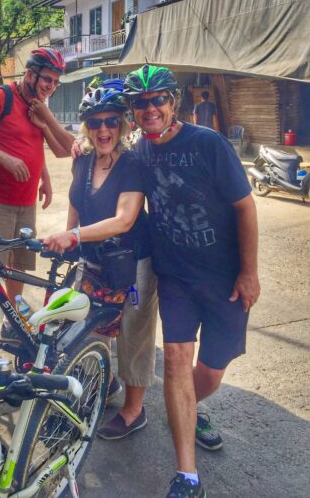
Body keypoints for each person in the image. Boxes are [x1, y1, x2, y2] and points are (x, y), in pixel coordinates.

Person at [123, 64, 260, 498]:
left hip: (223, 278)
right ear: (133, 110)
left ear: (172, 102)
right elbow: (113, 181)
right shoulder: (140, 152)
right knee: (178, 359)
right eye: (141, 103)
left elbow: (245, 208)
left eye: (158, 100)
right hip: (175, 276)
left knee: (211, 373)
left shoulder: (208, 143)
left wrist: (249, 272)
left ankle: (187, 408)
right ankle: (188, 476)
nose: (150, 110)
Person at [43, 80, 158, 440]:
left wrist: (73, 236)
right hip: (93, 260)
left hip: (133, 262)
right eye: (95, 123)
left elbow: (124, 219)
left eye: (110, 121)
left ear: (123, 123)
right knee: (91, 327)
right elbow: (76, 200)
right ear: (87, 126)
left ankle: (133, 410)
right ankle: (103, 383)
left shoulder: (133, 163)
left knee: (132, 335)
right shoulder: (84, 159)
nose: (103, 130)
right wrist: (69, 238)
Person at [0, 48, 74, 330]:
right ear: (31, 74)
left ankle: (11, 320)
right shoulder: (2, 98)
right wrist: (4, 158)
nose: (50, 86)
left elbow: (41, 146)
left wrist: (44, 176)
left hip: (25, 201)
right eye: (47, 79)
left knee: (19, 264)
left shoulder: (37, 106)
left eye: (56, 82)